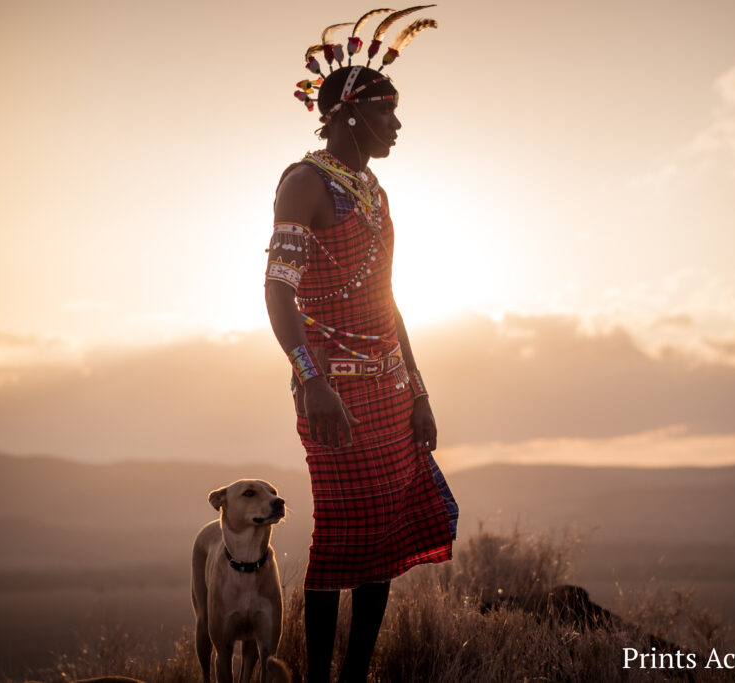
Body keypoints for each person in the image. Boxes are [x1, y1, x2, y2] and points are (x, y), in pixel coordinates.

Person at [263, 8, 458, 682]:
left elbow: (388, 297)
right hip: (333, 392)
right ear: (349, 115)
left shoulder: (372, 189)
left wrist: (420, 389)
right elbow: (277, 292)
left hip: (389, 389)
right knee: (341, 534)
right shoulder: (303, 186)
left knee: (386, 535)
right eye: (388, 113)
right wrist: (313, 380)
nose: (398, 126)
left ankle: (357, 676)